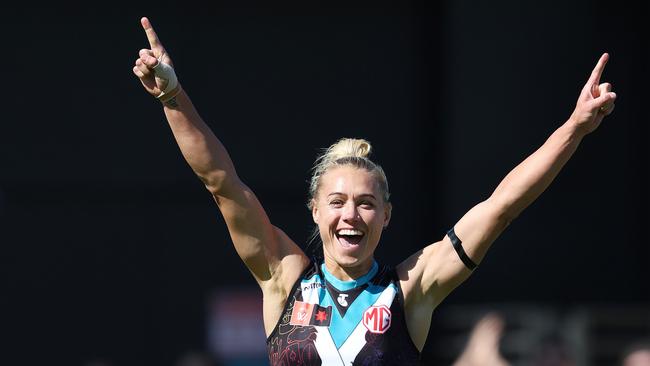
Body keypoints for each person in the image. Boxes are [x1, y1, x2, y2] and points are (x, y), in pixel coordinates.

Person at [132, 17, 616, 365]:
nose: (352, 215)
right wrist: (173, 98)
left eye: (367, 204)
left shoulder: (412, 290)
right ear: (316, 210)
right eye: (338, 202)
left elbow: (503, 206)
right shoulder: (284, 278)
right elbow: (221, 183)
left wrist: (573, 128)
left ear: (387, 215)